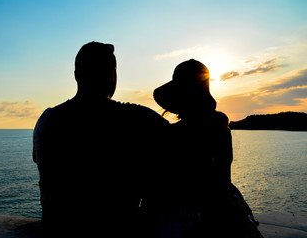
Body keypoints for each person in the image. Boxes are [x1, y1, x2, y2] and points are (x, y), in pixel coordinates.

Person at [32, 42, 168, 237]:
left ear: (76, 75)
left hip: (55, 230)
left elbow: (41, 161)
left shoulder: (46, 119)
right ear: (113, 76)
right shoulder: (139, 119)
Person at [145, 59, 263, 237]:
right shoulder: (222, 128)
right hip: (224, 210)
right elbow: (223, 179)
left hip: (191, 217)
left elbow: (162, 187)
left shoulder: (173, 134)